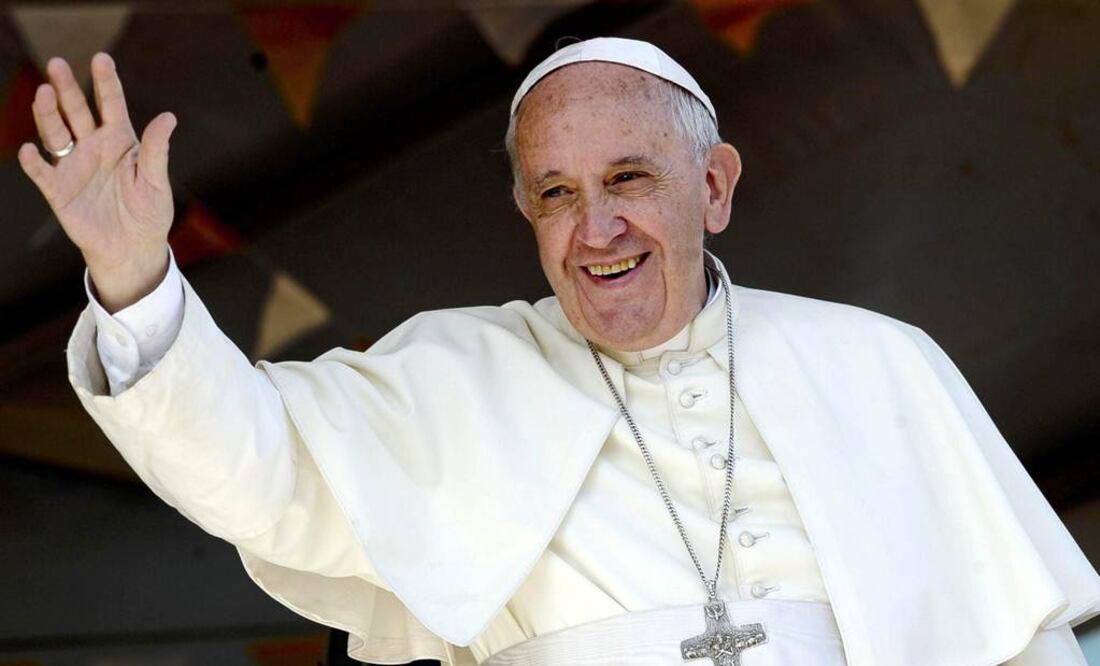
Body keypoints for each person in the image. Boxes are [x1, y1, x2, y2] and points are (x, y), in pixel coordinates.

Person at [19, 37, 1099, 666]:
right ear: (525, 214)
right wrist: (134, 275)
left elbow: (1024, 644)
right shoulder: (449, 378)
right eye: (556, 195)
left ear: (711, 187)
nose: (596, 229)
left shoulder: (878, 365)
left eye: (629, 180)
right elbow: (252, 469)